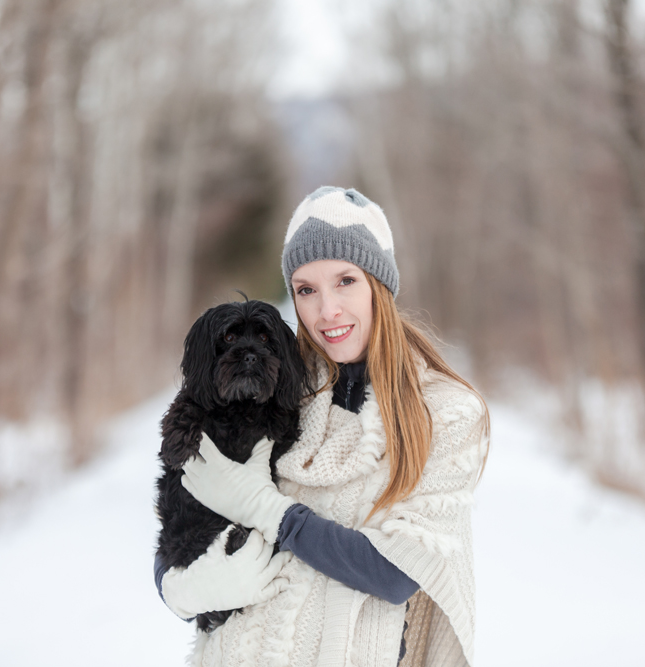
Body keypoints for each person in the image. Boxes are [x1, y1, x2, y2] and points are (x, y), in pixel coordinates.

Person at [154, 186, 490, 667]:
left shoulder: (446, 413)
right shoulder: (284, 391)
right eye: (306, 290)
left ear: (380, 284)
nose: (327, 310)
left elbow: (397, 572)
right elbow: (183, 505)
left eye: (346, 281)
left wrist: (270, 511)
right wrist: (179, 588)